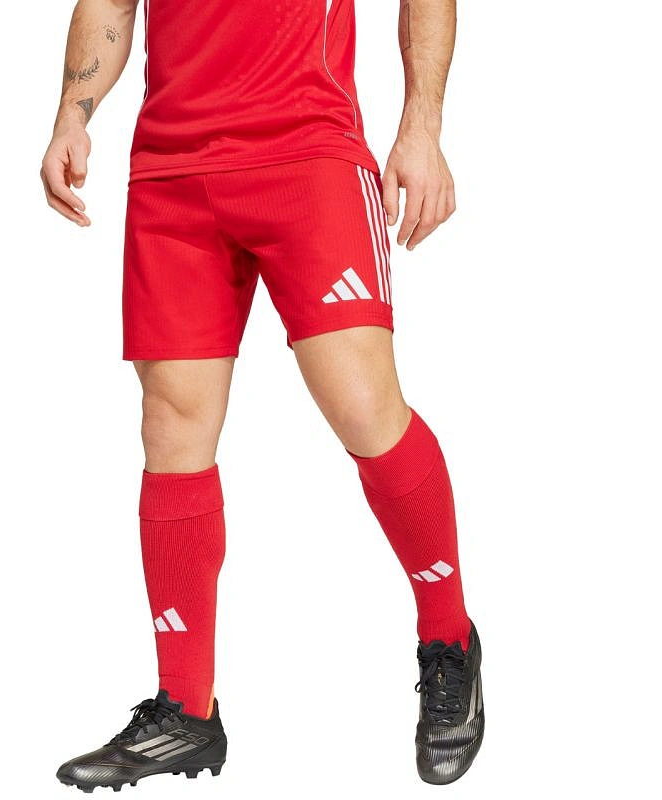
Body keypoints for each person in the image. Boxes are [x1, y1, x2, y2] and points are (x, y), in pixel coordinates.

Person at [41, 0, 483, 790]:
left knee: (364, 408)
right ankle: (186, 712)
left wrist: (422, 126)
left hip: (308, 151)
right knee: (171, 427)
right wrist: (72, 114)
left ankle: (449, 640)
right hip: (173, 170)